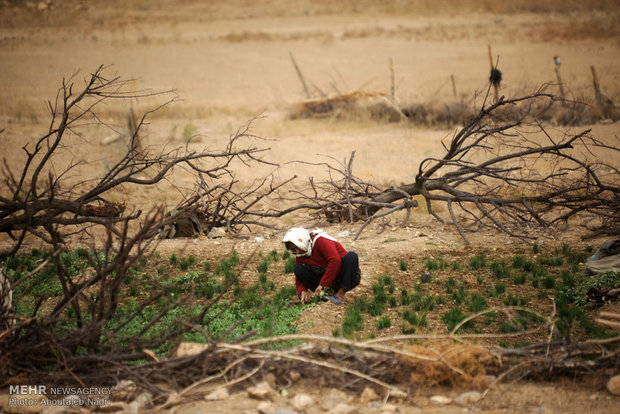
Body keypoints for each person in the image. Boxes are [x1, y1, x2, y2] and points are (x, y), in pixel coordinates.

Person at [283, 227, 361, 305]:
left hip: (343, 276)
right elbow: (299, 276)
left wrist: (323, 284)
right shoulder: (301, 254)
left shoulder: (321, 241)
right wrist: (302, 291)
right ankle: (325, 295)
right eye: (293, 249)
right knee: (298, 269)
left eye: (297, 247)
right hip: (326, 278)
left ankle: (340, 295)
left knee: (351, 256)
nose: (297, 251)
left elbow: (335, 261)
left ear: (302, 241)